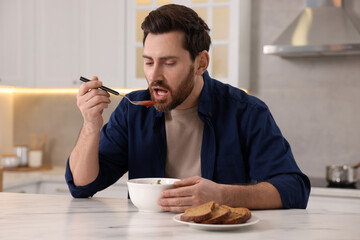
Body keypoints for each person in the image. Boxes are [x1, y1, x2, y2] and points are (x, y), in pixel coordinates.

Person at [65, 4, 310, 212]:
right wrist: (90, 126)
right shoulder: (133, 110)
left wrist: (222, 195)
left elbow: (293, 189)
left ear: (201, 63)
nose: (155, 76)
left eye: (169, 62)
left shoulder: (246, 112)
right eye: (149, 62)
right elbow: (83, 186)